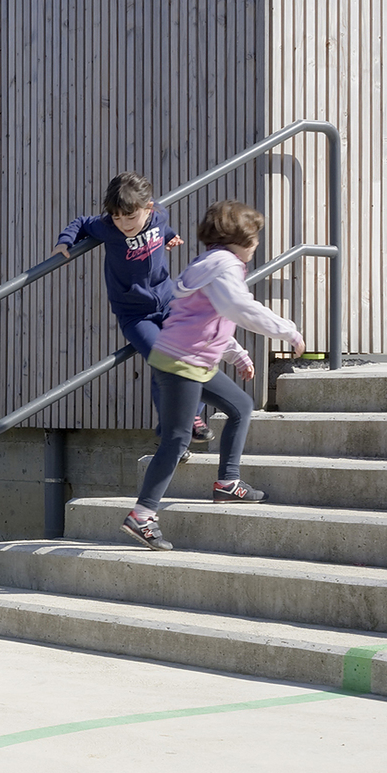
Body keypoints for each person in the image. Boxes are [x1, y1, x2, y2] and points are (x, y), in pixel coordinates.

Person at [121, 201, 305, 551]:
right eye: (255, 239)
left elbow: (212, 320)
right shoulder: (224, 266)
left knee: (240, 405)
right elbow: (238, 308)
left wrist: (238, 355)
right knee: (176, 440)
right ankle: (142, 515)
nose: (256, 246)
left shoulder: (209, 263)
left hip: (188, 359)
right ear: (240, 239)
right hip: (182, 363)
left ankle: (228, 482)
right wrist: (288, 331)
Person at [54, 172, 212, 444]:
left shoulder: (159, 214)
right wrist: (64, 242)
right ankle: (177, 428)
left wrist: (170, 236)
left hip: (167, 300)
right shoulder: (107, 228)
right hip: (135, 314)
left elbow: (163, 226)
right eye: (117, 217)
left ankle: (184, 421)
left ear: (148, 207)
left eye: (130, 217)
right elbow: (81, 223)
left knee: (193, 349)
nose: (124, 224)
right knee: (165, 358)